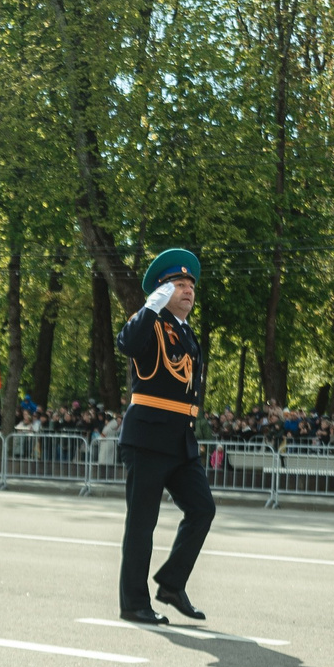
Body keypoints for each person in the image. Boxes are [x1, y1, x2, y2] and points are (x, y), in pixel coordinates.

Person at [114, 248, 217, 625]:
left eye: (191, 284)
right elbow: (126, 343)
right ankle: (133, 603)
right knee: (142, 522)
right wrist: (150, 308)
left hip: (180, 440)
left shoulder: (186, 332)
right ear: (161, 291)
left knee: (202, 508)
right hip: (147, 437)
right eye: (178, 284)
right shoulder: (150, 324)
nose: (188, 290)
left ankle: (172, 584)